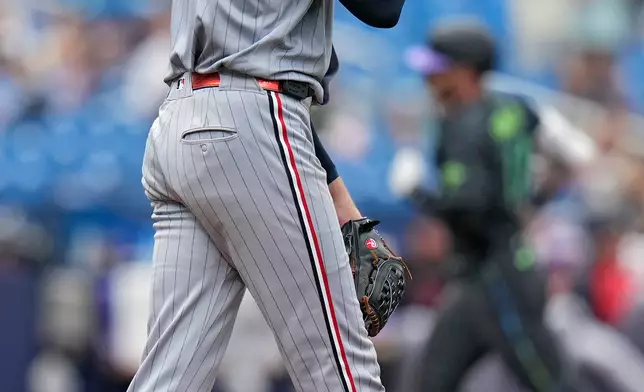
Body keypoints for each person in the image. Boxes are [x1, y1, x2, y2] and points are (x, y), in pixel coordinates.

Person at [127, 0, 407, 392]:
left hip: (179, 120)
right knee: (341, 371)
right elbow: (382, 10)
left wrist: (339, 198)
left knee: (171, 377)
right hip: (251, 119)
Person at [399, 21, 585, 392]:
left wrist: (418, 194)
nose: (428, 80)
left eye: (437, 70)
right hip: (480, 274)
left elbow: (472, 206)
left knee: (550, 382)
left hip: (500, 276)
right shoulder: (512, 107)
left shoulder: (464, 123)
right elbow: (575, 155)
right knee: (429, 380)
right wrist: (530, 203)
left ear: (466, 71)